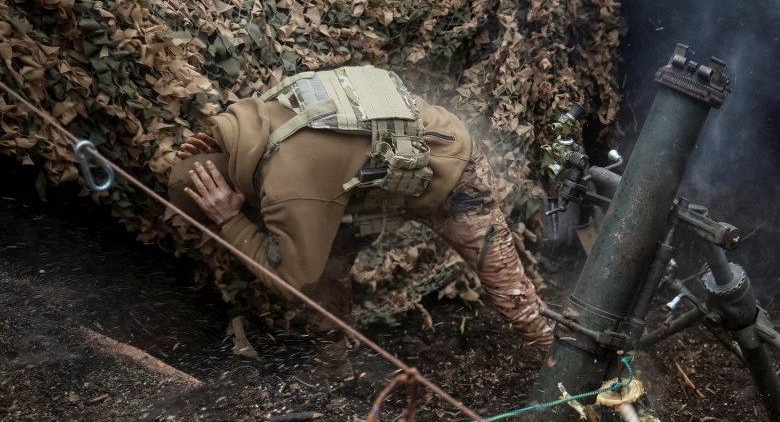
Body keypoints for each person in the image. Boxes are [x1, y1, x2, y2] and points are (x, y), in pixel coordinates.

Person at [167, 66, 553, 382]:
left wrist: (231, 221)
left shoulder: (290, 184)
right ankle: (332, 366)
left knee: (509, 292)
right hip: (370, 187)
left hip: (452, 171)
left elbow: (292, 281)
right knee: (325, 269)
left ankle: (563, 364)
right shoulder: (250, 125)